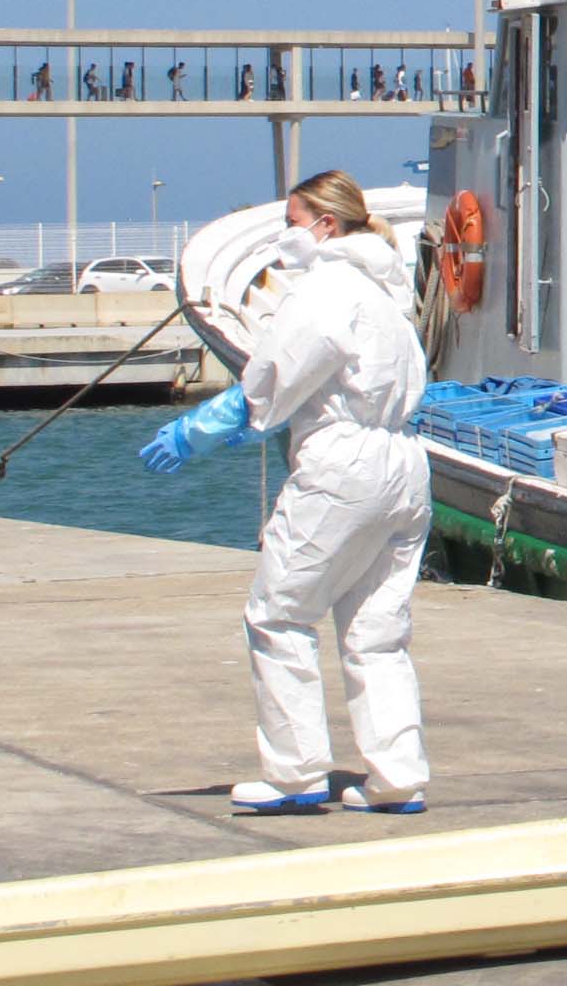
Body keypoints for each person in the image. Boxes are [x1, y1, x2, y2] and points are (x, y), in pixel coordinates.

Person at [137, 169, 433, 815]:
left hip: (343, 465)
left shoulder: (326, 288)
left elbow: (276, 375)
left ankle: (295, 775)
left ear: (326, 225)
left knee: (279, 615)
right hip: (405, 464)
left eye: (292, 222)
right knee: (377, 632)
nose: (284, 236)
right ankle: (397, 777)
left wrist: (205, 427)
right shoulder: (387, 292)